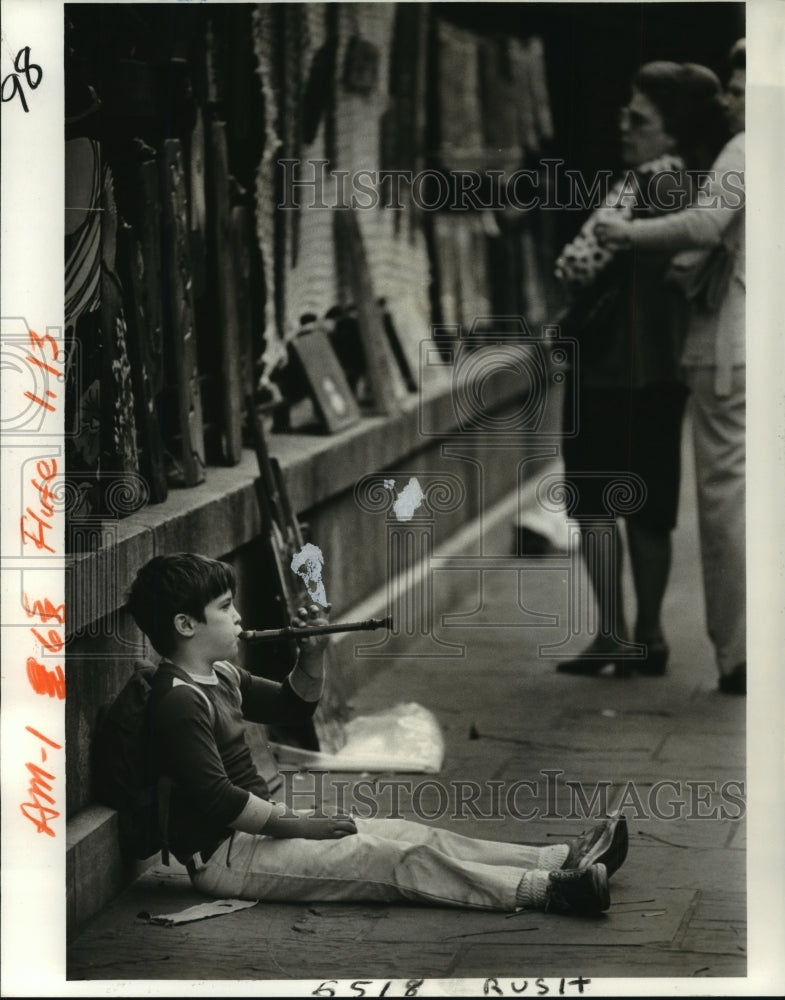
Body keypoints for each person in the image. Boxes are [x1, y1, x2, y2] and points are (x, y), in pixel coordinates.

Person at [125, 552, 629, 915]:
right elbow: (219, 801)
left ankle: (557, 858)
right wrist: (305, 827)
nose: (239, 617)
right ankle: (547, 890)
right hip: (227, 856)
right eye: (225, 607)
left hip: (260, 833)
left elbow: (292, 702)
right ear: (186, 625)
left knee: (412, 834)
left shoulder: (222, 675)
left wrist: (312, 655)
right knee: (394, 860)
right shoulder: (179, 700)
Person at [553, 62, 729, 679]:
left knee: (597, 503)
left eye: (639, 119)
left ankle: (613, 634)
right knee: (651, 505)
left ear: (671, 128)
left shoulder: (641, 188)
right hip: (661, 370)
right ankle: (650, 635)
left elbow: (575, 269)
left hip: (606, 366)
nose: (624, 127)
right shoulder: (699, 188)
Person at [594, 41, 746, 695]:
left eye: (741, 88)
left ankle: (738, 653)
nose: (732, 100)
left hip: (725, 352)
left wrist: (624, 235)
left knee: (727, 504)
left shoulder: (742, 151)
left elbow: (709, 225)